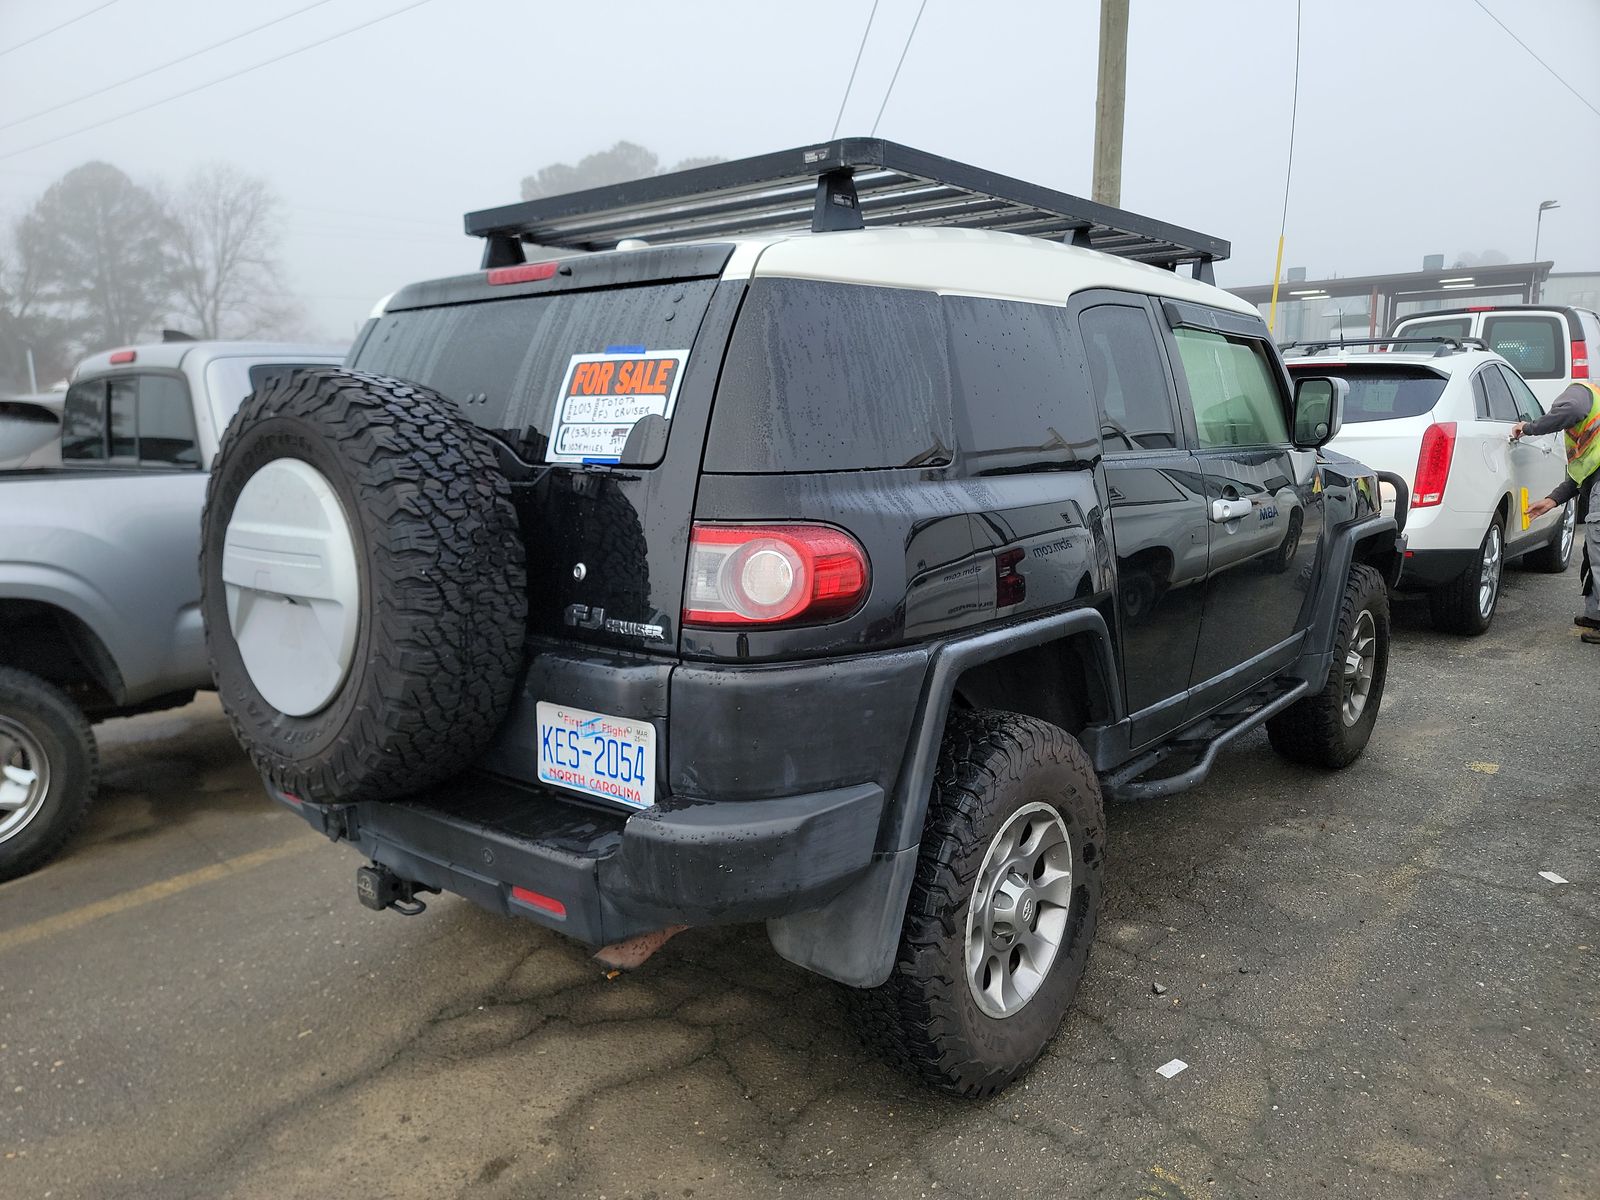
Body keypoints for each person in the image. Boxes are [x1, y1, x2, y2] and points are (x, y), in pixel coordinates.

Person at [1512, 378, 1600, 644]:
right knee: (1593, 552)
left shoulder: (1579, 392)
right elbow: (1581, 474)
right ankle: (1596, 616)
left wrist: (1528, 427)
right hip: (1594, 482)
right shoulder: (1588, 416)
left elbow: (1569, 409)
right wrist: (1552, 500)